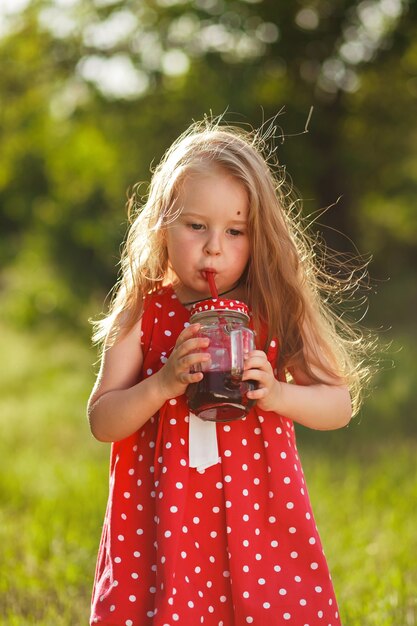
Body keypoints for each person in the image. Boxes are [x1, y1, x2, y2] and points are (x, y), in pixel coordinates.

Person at [88, 118, 374, 626]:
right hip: (165, 527)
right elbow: (103, 420)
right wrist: (162, 383)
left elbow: (338, 404)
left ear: (257, 234)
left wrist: (278, 393)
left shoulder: (273, 310)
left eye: (235, 231)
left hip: (256, 521)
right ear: (161, 225)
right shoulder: (145, 314)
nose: (214, 247)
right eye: (196, 226)